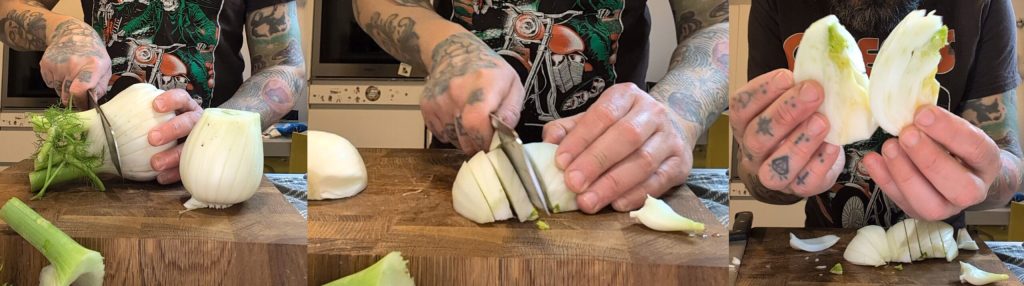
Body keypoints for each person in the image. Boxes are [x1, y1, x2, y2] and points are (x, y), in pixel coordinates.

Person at [354, 0, 729, 213]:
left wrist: (678, 111)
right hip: (460, 167)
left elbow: (720, 21)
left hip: (625, 176)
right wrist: (445, 44)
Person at [734, 0, 1021, 228]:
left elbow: (1007, 158)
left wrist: (983, 178)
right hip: (827, 247)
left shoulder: (982, 4)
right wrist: (765, 171)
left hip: (939, 246)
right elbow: (754, 166)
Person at [0, 0, 306, 184]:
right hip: (95, 165)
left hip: (213, 167)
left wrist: (217, 129)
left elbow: (286, 65)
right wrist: (65, 30)